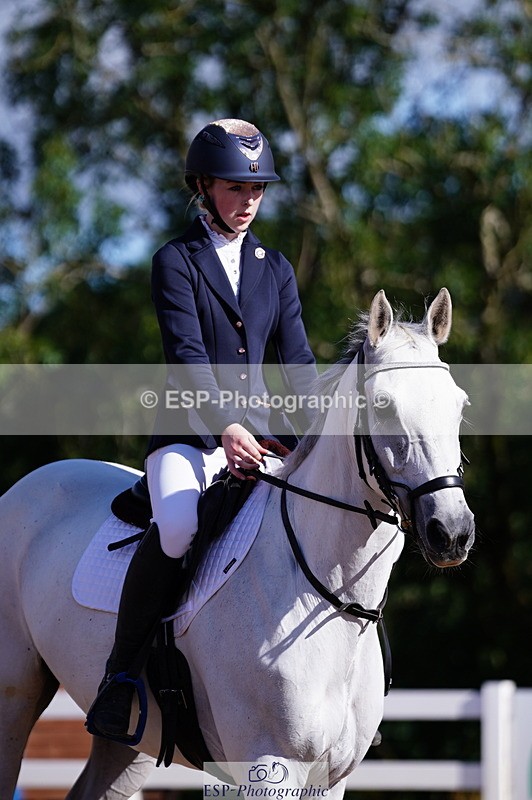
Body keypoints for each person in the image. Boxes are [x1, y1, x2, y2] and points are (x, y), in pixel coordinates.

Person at [88, 118, 317, 739]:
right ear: (203, 186)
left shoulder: (276, 268)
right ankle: (120, 676)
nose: (249, 201)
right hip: (189, 437)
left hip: (265, 437)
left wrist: (325, 429)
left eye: (258, 189)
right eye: (236, 188)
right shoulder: (175, 261)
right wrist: (227, 428)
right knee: (181, 525)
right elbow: (187, 356)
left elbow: (297, 363)